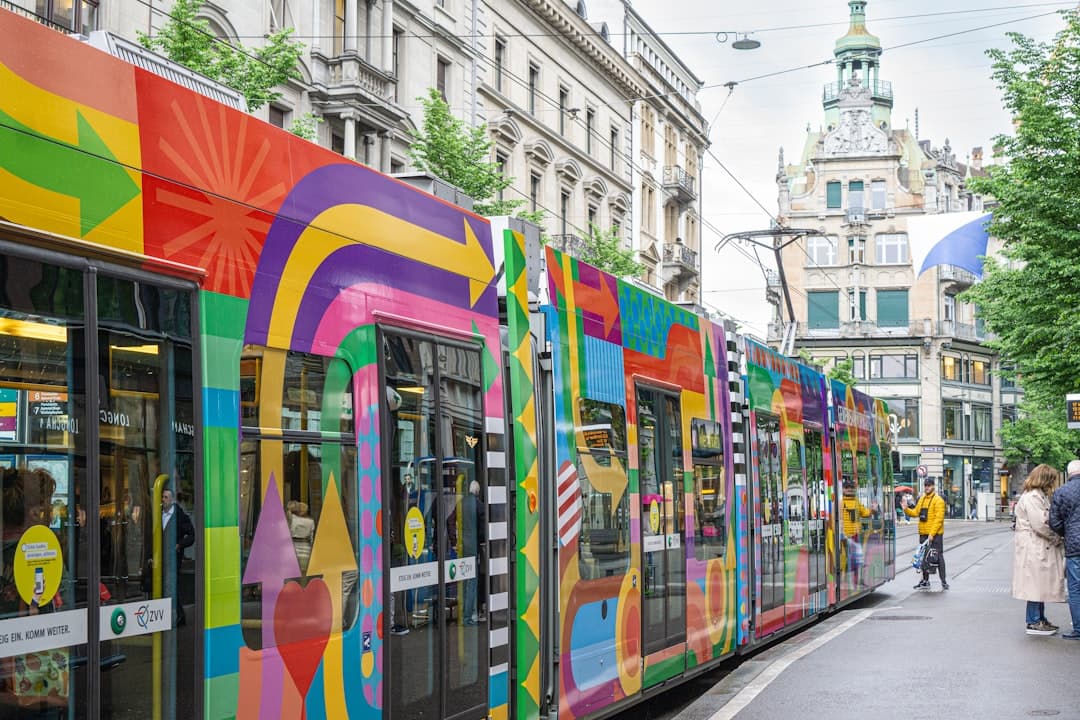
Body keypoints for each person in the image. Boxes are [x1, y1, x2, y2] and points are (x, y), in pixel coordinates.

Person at [1012, 464, 1066, 635]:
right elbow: (1039, 524)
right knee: (1035, 584)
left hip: (1035, 545)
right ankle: (1034, 621)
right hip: (1034, 546)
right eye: (1050, 479)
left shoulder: (1036, 495)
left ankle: (1039, 618)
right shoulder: (1033, 497)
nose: (1052, 483)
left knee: (1038, 584)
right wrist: (1057, 538)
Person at [1049, 459, 1080, 639]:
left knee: (1075, 589)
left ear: (1069, 474)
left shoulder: (1061, 492)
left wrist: (1066, 532)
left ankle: (1078, 629)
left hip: (1074, 547)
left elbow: (1054, 522)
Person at [904, 477, 948, 590]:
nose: (927, 487)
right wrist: (906, 509)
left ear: (933, 486)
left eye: (929, 485)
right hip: (923, 534)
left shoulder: (938, 500)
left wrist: (932, 534)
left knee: (938, 557)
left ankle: (943, 581)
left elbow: (939, 519)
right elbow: (915, 513)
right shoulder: (922, 498)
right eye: (925, 485)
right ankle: (925, 580)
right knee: (923, 558)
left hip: (935, 535)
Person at [162, 488, 195, 626]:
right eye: (162, 497)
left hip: (173, 557)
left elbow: (191, 535)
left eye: (166, 497)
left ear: (172, 499)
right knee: (163, 585)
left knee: (171, 585)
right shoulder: (159, 514)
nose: (163, 500)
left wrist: (179, 545)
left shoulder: (180, 516)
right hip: (161, 556)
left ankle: (179, 615)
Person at [840, 479, 878, 588]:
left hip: (855, 534)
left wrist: (872, 510)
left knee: (857, 559)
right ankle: (843, 581)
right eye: (847, 487)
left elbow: (865, 513)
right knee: (844, 559)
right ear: (843, 489)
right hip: (844, 535)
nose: (850, 489)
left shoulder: (856, 502)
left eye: (852, 487)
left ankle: (856, 580)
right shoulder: (841, 502)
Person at [286, 500, 314, 574]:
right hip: (306, 553)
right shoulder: (310, 522)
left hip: (291, 553)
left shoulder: (288, 520)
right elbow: (312, 539)